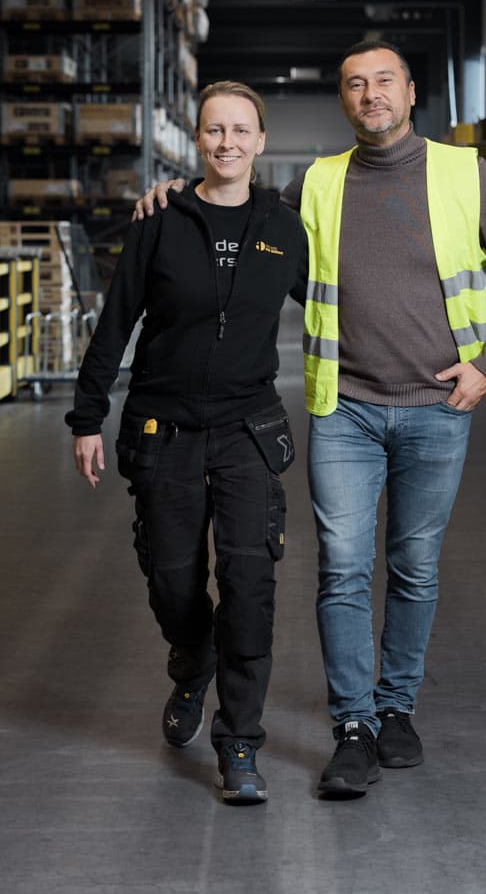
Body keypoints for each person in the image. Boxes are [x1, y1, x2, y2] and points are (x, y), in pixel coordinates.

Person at [135, 40, 486, 798]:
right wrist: (175, 199)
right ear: (343, 101)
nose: (370, 96)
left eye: (383, 81)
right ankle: (353, 725)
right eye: (355, 85)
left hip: (438, 408)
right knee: (343, 571)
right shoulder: (318, 183)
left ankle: (397, 709)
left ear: (411, 90)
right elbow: (252, 234)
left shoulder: (465, 172)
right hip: (345, 408)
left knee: (414, 569)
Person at [67, 81, 308, 804]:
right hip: (163, 427)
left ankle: (239, 743)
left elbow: (340, 304)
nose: (227, 143)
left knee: (249, 585)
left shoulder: (284, 227)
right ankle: (191, 658)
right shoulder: (160, 219)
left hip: (246, 430)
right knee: (172, 580)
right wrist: (86, 417)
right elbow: (116, 324)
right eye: (214, 130)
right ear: (197, 140)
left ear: (261, 142)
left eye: (241, 131)